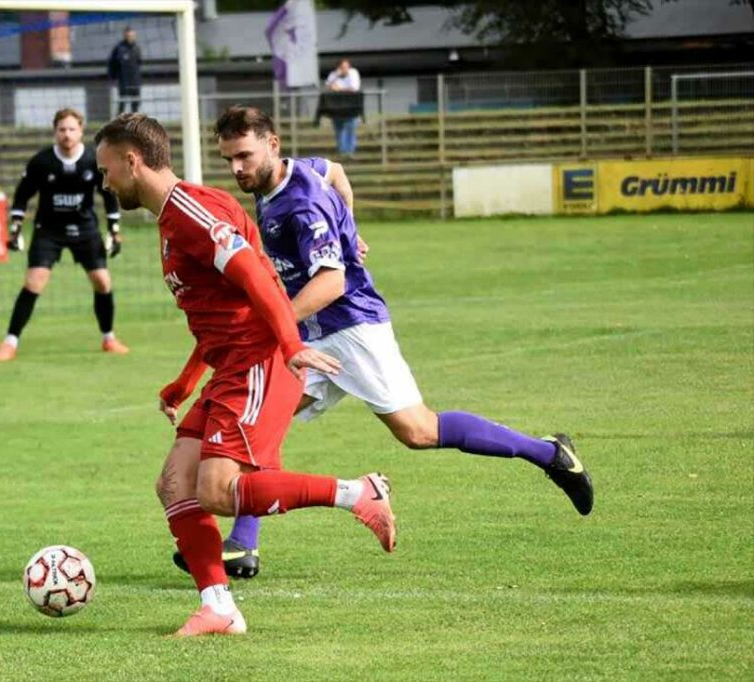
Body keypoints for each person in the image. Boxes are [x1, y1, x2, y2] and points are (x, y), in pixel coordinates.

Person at [171, 106, 593, 579]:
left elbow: (331, 282)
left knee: (418, 431)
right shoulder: (295, 171)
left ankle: (551, 454)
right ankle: (242, 544)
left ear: (272, 144)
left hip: (351, 327)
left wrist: (278, 321)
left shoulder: (301, 203)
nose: (236, 169)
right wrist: (350, 226)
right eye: (229, 159)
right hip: (311, 332)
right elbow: (337, 170)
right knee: (262, 425)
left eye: (244, 156)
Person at [93, 112, 397, 637]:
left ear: (131, 161)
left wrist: (289, 345)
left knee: (216, 489)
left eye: (105, 170)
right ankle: (219, 607)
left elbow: (255, 276)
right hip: (232, 362)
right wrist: (186, 381)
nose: (104, 182)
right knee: (174, 484)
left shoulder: (190, 211)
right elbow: (219, 311)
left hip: (259, 359)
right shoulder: (174, 216)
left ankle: (358, 493)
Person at [0, 108, 128, 362]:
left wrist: (114, 230)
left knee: (102, 281)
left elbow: (109, 194)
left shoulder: (93, 160)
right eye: (62, 129)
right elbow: (22, 196)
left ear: (81, 131)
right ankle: (10, 342)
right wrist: (16, 228)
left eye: (72, 129)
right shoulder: (41, 162)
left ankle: (109, 338)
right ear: (55, 132)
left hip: (85, 228)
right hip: (49, 230)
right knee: (34, 282)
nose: (67, 134)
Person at [324, 58, 361, 157]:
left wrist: (339, 89)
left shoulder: (353, 73)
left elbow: (354, 88)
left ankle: (350, 152)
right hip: (337, 107)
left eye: (346, 67)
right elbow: (328, 87)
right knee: (339, 130)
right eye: (342, 67)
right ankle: (342, 152)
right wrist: (336, 76)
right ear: (338, 68)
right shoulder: (333, 74)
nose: (345, 69)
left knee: (351, 128)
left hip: (351, 106)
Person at [107, 27, 143, 114]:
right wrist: (112, 78)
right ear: (125, 36)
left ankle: (135, 124)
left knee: (135, 105)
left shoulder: (137, 48)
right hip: (123, 82)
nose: (130, 37)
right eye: (128, 36)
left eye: (132, 36)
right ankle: (119, 124)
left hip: (135, 82)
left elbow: (140, 62)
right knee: (122, 104)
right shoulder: (119, 48)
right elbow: (112, 64)